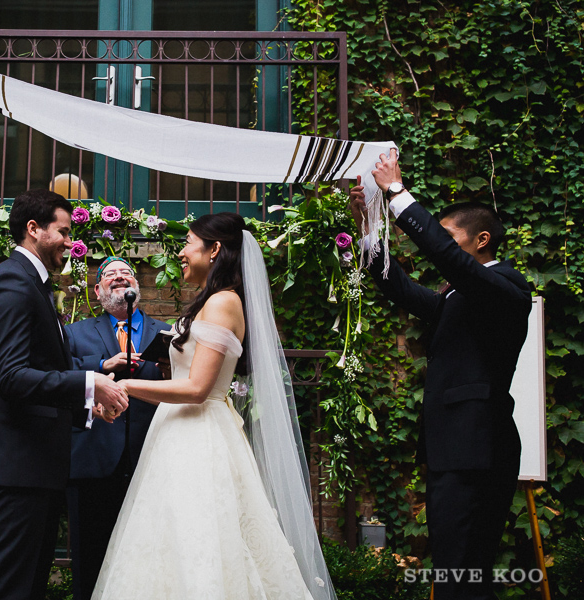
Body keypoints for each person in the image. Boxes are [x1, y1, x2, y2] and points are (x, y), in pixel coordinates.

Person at [93, 213, 334, 600]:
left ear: (215, 249)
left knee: (200, 535)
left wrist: (122, 385)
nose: (183, 253)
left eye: (189, 242)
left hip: (199, 436)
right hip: (177, 432)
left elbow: (198, 388)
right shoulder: (210, 301)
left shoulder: (223, 302)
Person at [349, 149, 531, 600]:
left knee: (462, 567)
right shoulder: (457, 298)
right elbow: (403, 289)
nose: (444, 245)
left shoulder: (506, 288)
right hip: (456, 448)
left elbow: (451, 261)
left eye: (452, 237)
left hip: (477, 448)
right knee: (455, 565)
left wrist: (396, 192)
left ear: (481, 240)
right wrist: (369, 227)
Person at [0, 190, 129, 600]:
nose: (70, 242)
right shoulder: (11, 282)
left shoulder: (34, 285)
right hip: (16, 466)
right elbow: (12, 376)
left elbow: (45, 368)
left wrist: (90, 400)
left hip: (35, 465)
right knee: (3, 587)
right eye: (63, 231)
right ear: (33, 229)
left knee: (27, 587)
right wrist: (91, 382)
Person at [65, 257, 171, 600]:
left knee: (151, 555)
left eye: (127, 273)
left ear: (137, 289)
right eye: (110, 274)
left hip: (151, 459)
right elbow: (59, 375)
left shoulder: (165, 332)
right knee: (90, 555)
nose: (120, 277)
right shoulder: (75, 332)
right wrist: (99, 365)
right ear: (97, 291)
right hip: (94, 459)